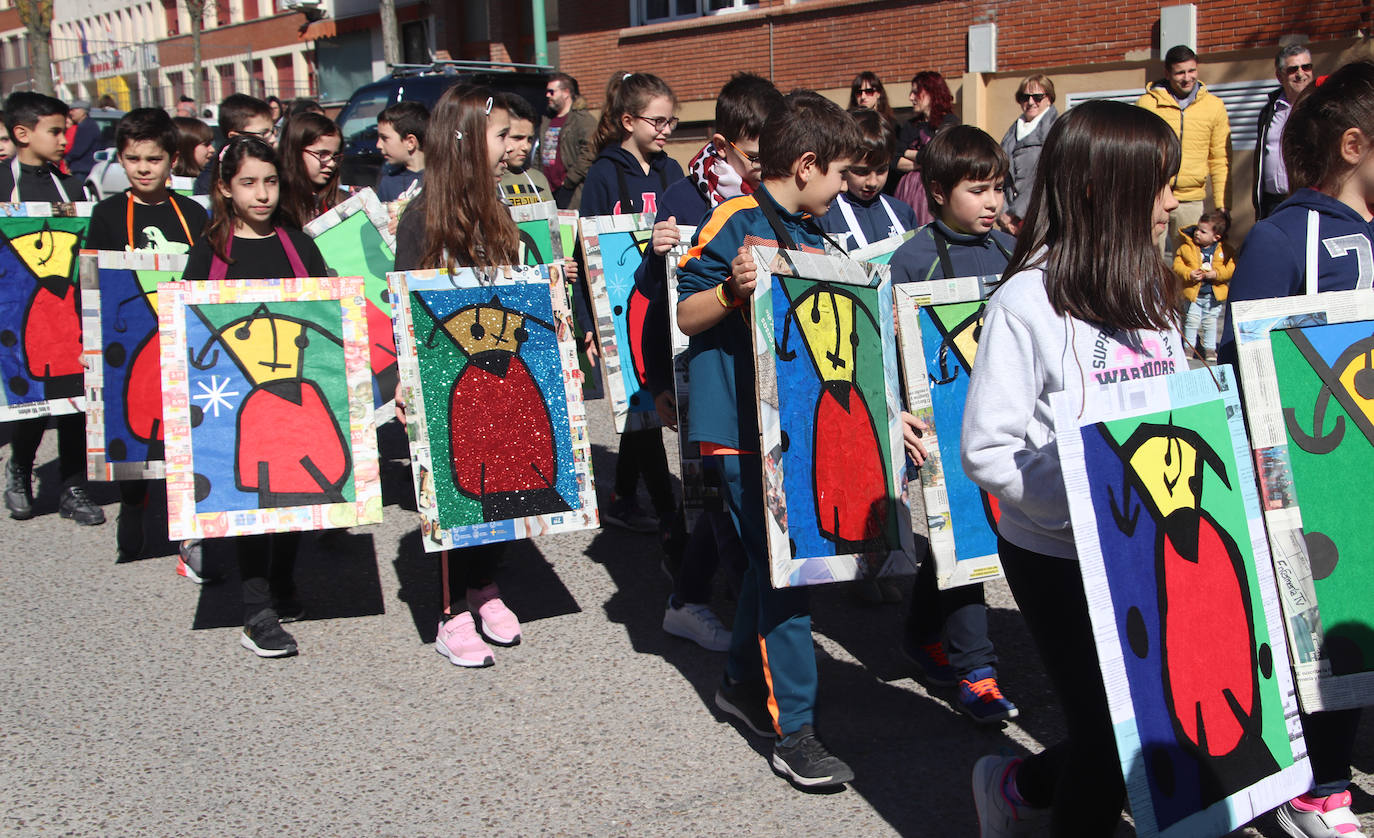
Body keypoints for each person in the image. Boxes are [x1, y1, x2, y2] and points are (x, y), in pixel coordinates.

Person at [963, 99, 1185, 835]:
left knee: (1144, 722)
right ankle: (1029, 791)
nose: (1174, 201)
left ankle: (1021, 782)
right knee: (1107, 740)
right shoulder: (1027, 301)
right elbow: (988, 450)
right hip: (1057, 555)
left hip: (1149, 548)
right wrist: (1089, 501)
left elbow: (1173, 412)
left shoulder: (1152, 289)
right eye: (1161, 184)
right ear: (1101, 189)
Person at [676, 91, 874, 789]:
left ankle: (737, 680)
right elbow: (688, 311)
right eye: (841, 175)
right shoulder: (735, 218)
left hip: (794, 437)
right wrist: (732, 290)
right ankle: (796, 731)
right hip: (733, 433)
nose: (846, 189)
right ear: (808, 164)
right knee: (786, 574)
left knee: (774, 569)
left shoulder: (821, 240)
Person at [1219, 62, 1374, 838]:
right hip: (1314, 479)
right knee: (1326, 624)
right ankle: (1320, 785)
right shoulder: (1284, 239)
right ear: (1355, 145)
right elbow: (1242, 360)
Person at [632, 72, 783, 652]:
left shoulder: (770, 200)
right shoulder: (683, 195)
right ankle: (715, 609)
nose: (762, 166)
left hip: (754, 370)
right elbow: (653, 295)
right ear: (723, 145)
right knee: (714, 493)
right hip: (696, 365)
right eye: (753, 155)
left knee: (718, 494)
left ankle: (694, 591)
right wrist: (657, 381)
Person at [886, 125, 1020, 724]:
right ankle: (978, 671)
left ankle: (919, 636)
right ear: (937, 191)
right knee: (962, 532)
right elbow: (887, 351)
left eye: (999, 188)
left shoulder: (1009, 252)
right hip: (942, 428)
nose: (993, 202)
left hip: (1005, 423)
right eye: (978, 189)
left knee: (956, 544)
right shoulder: (912, 259)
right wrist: (897, 417)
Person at [392, 84, 525, 669]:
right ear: (467, 140)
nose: (511, 147)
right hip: (445, 378)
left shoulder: (499, 209)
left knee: (496, 476)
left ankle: (484, 585)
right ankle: (450, 611)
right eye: (501, 136)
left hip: (495, 376)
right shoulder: (422, 215)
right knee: (452, 487)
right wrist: (405, 378)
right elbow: (407, 307)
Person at [182, 136, 329, 658]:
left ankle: (283, 581)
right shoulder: (211, 251)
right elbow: (189, 329)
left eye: (270, 181)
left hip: (295, 393)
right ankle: (256, 611)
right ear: (225, 187)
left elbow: (327, 316)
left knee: (293, 499)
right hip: (235, 401)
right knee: (249, 501)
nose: (262, 194)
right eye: (248, 183)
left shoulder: (299, 244)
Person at [85, 108, 211, 579]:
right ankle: (133, 504)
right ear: (121, 159)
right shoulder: (108, 214)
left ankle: (189, 533)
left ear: (172, 160)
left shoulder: (194, 213)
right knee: (134, 428)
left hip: (181, 337)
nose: (142, 168)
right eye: (133, 159)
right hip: (129, 337)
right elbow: (93, 285)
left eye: (153, 159)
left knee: (186, 435)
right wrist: (89, 342)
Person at [579, 72, 684, 536]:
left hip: (666, 303)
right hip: (620, 306)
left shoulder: (672, 172)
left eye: (671, 122)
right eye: (656, 121)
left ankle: (622, 497)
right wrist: (588, 321)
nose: (664, 130)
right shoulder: (603, 174)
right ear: (628, 120)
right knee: (640, 408)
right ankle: (667, 513)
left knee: (645, 405)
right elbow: (587, 256)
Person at [0, 92, 105, 528]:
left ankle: (73, 486)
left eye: (66, 130)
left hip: (70, 310)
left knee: (75, 402)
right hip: (17, 312)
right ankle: (20, 472)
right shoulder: (2, 185)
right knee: (32, 401)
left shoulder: (74, 187)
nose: (66, 139)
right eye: (55, 131)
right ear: (23, 133)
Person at [1136, 45, 1231, 255]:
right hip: (1155, 196)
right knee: (1149, 260)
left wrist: (1222, 205)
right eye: (1180, 72)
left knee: (1191, 265)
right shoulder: (1147, 104)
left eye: (1192, 71)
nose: (1187, 78)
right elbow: (1136, 152)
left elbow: (1219, 159)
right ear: (1167, 73)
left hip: (1192, 199)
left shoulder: (1214, 106)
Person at [818, 109, 919, 253]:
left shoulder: (902, 212)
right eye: (861, 172)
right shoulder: (825, 215)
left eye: (881, 170)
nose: (872, 182)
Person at [887, 71, 958, 225]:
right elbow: (893, 158)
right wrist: (922, 161)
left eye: (916, 92)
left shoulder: (949, 122)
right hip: (906, 193)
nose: (911, 98)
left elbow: (936, 155)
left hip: (933, 193)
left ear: (932, 92)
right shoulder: (910, 126)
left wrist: (906, 152)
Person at [1254, 42, 1315, 220]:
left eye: (1306, 67)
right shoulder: (1269, 111)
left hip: (1308, 200)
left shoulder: (1322, 108)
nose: (1301, 74)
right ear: (1280, 76)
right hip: (1273, 203)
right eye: (1293, 69)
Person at [999, 75, 1058, 235]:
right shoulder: (1011, 134)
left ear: (1049, 98)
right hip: (1009, 223)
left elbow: (1043, 178)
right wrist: (1002, 213)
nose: (1031, 102)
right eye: (1025, 97)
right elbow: (999, 176)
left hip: (1040, 219)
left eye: (1038, 97)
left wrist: (1015, 214)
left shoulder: (1056, 132)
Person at [1174, 208, 1234, 362]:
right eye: (1197, 229)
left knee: (1210, 322)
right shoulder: (1187, 247)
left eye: (1203, 231)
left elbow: (1231, 268)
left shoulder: (1224, 251)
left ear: (1216, 237)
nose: (1197, 233)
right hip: (1194, 294)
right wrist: (1189, 273)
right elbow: (1178, 265)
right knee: (1191, 321)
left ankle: (1210, 349)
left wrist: (1216, 274)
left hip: (1212, 296)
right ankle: (1189, 348)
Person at [193, 94, 276, 196]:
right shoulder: (209, 180)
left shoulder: (276, 166)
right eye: (264, 133)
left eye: (273, 132)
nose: (272, 139)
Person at [538, 72, 595, 209]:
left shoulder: (582, 119)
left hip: (571, 190)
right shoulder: (547, 120)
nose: (547, 96)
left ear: (566, 92)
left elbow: (590, 151)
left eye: (552, 92)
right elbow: (539, 152)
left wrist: (569, 180)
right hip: (548, 191)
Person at [277, 112, 343, 228]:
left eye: (335, 156)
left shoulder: (340, 200)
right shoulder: (278, 205)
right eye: (322, 154)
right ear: (295, 152)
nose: (331, 163)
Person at [498, 94, 553, 206]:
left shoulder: (538, 179)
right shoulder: (486, 182)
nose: (526, 147)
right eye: (517, 138)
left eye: (530, 139)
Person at [374, 100, 428, 203]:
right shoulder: (388, 182)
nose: (378, 145)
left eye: (384, 138)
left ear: (410, 142)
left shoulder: (442, 178)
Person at [64, 99, 101, 186]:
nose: (71, 112)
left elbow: (79, 148)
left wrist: (67, 159)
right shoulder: (82, 125)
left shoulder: (87, 126)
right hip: (81, 167)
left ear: (83, 111)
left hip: (83, 169)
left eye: (74, 110)